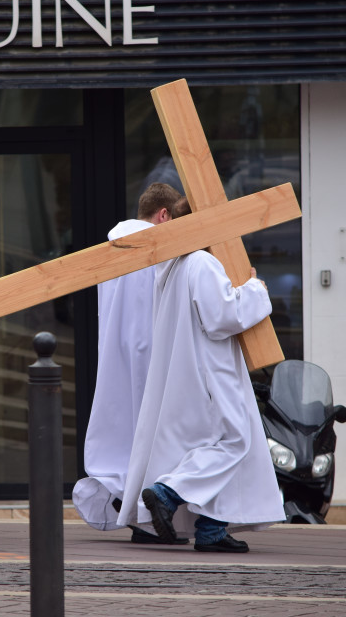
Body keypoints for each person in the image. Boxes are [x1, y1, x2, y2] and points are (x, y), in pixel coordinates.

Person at [117, 197, 285, 552]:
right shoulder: (202, 262)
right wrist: (256, 290)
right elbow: (222, 317)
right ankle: (168, 492)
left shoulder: (175, 264)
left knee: (220, 444)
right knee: (235, 439)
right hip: (211, 367)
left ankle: (212, 528)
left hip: (188, 367)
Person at [72, 182, 182, 542]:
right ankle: (145, 516)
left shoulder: (113, 243)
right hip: (151, 350)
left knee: (126, 431)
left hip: (115, 351)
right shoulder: (157, 246)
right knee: (153, 434)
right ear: (163, 214)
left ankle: (137, 513)